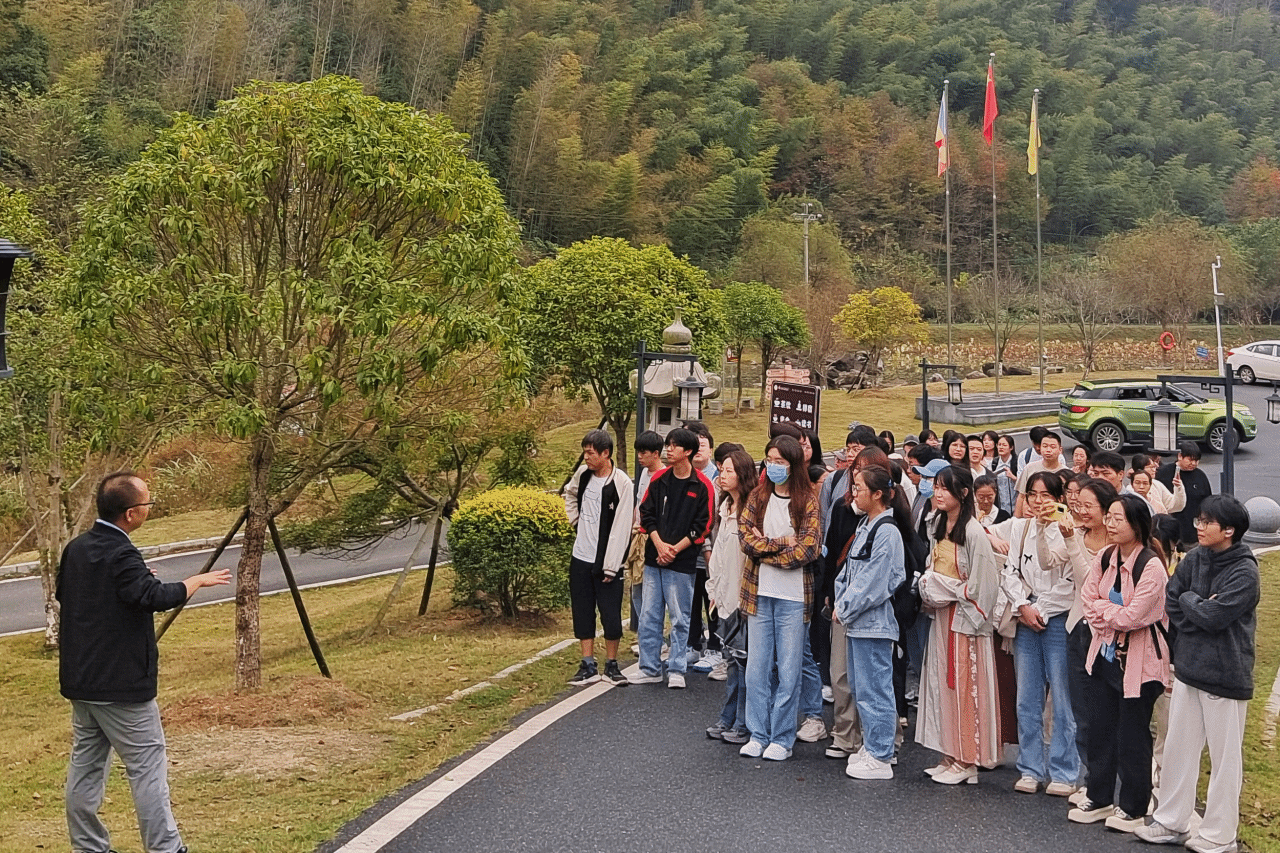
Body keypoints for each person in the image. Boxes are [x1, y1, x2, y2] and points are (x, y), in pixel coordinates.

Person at [60, 472, 232, 853]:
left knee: (85, 769)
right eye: (148, 504)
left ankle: (87, 847)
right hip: (122, 687)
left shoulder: (77, 548)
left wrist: (135, 583)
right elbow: (157, 596)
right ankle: (166, 847)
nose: (149, 509)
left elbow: (77, 592)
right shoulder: (121, 553)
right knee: (147, 768)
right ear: (132, 513)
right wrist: (196, 582)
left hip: (82, 683)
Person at [1137, 495, 1258, 853]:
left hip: (1226, 673)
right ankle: (1171, 821)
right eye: (1199, 521)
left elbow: (1214, 616)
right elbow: (1174, 600)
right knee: (1178, 748)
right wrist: (1196, 603)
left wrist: (1194, 604)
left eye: (1207, 523)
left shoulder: (1245, 571)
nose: (1199, 527)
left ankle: (1220, 836)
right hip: (1189, 668)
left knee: (1224, 759)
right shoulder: (1195, 558)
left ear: (1230, 530)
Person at [1069, 495, 1171, 832]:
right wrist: (1106, 615)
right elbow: (1088, 600)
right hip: (1104, 656)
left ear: (1137, 525)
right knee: (1099, 729)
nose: (1110, 525)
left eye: (1118, 519)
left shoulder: (1151, 566)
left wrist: (1104, 612)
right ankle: (1099, 797)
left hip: (1140, 664)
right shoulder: (1105, 556)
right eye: (1109, 517)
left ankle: (1133, 806)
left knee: (1132, 736)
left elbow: (1133, 616)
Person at [987, 471, 1079, 797]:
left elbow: (1071, 581)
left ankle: (1065, 771)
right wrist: (1023, 605)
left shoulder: (1071, 529)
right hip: (1024, 618)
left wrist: (1042, 608)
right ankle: (1030, 767)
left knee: (1063, 699)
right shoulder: (1020, 527)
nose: (1039, 501)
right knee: (1027, 697)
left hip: (1056, 620)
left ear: (1060, 498)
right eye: (1032, 495)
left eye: (1046, 495)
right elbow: (1010, 571)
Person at [915, 466, 1002, 785]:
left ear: (963, 494)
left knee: (965, 687)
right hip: (942, 615)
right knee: (942, 685)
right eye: (936, 487)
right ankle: (949, 753)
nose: (937, 493)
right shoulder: (937, 522)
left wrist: (949, 589)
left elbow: (984, 584)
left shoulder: (974, 532)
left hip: (964, 619)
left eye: (945, 489)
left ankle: (968, 759)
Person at [737, 435, 821, 761]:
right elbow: (746, 540)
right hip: (759, 593)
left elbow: (808, 548)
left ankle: (782, 737)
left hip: (793, 597)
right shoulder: (758, 497)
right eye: (769, 459)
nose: (773, 466)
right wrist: (781, 542)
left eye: (780, 461)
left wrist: (767, 548)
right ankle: (758, 733)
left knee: (788, 670)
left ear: (794, 464)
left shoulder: (807, 501)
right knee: (756, 669)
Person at [835, 466, 907, 780]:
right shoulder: (867, 524)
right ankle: (874, 746)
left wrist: (846, 606)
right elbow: (849, 573)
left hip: (874, 625)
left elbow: (876, 581)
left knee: (875, 689)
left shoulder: (887, 531)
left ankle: (880, 753)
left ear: (877, 494)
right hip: (859, 623)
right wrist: (841, 601)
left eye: (859, 487)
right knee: (864, 688)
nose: (854, 492)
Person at [632, 428, 715, 687]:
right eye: (667, 445)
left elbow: (703, 525)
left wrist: (674, 549)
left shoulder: (702, 486)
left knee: (680, 617)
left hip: (683, 562)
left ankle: (677, 668)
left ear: (687, 451)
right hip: (654, 558)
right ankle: (650, 667)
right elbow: (647, 514)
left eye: (673, 446)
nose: (668, 450)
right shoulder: (659, 480)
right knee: (649, 615)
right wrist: (659, 544)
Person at [1062, 478, 1119, 802]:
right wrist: (1047, 530)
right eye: (1077, 504)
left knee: (1111, 714)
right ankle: (1094, 782)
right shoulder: (1076, 533)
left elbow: (1090, 582)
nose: (1080, 511)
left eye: (1087, 506)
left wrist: (1070, 541)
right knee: (1082, 713)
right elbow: (1045, 561)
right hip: (1078, 630)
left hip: (1109, 636)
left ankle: (1114, 784)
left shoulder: (1116, 545)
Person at [563, 429, 635, 686]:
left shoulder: (621, 484)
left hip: (607, 561)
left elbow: (623, 527)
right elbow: (568, 494)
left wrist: (612, 566)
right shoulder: (583, 476)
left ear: (606, 453)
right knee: (582, 611)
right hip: (580, 556)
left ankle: (612, 664)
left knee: (610, 614)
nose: (586, 458)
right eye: (585, 452)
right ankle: (587, 663)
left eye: (591, 453)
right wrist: (575, 520)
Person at [705, 449, 757, 744]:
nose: (722, 476)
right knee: (734, 661)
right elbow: (720, 556)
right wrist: (714, 589)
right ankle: (730, 717)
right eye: (721, 470)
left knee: (743, 663)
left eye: (729, 471)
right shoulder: (725, 508)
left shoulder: (750, 511)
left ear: (743, 475)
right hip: (723, 597)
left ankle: (741, 721)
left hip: (743, 599)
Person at [682, 421, 722, 674]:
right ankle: (693, 643)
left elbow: (709, 520)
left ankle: (716, 647)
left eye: (703, 445)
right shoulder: (684, 475)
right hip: (687, 552)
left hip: (712, 551)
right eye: (693, 445)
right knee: (691, 599)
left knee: (713, 599)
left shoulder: (718, 478)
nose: (698, 449)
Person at [628, 430, 666, 633]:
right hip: (638, 536)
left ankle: (653, 637)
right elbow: (638, 503)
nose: (640, 457)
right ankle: (645, 635)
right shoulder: (644, 473)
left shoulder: (664, 476)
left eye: (644, 453)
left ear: (656, 453)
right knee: (636, 590)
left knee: (650, 593)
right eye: (638, 453)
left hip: (652, 538)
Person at [1155, 442, 1212, 552]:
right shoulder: (1164, 473)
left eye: (1196, 460)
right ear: (1180, 456)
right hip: (1170, 530)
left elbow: (1207, 502)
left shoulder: (1200, 476)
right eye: (1190, 460)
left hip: (1193, 532)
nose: (1194, 463)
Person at [1015, 430, 1066, 518]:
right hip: (1031, 519)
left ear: (1060, 450)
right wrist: (1017, 519)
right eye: (1045, 446)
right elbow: (1021, 496)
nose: (1048, 450)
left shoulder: (1066, 473)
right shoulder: (1029, 468)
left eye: (1052, 447)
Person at [992, 433, 1018, 513]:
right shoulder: (994, 463)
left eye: (1004, 445)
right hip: (1000, 507)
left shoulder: (1016, 462)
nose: (1001, 447)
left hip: (1016, 506)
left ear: (1011, 447)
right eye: (999, 445)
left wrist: (1013, 477)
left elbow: (1024, 484)